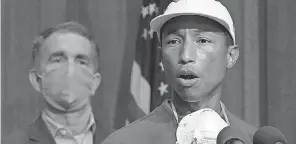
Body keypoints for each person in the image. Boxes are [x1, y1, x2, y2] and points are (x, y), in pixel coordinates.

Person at [101, 0, 257, 144]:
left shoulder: (251, 140)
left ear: (231, 56)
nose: (185, 56)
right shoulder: (125, 141)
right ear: (161, 55)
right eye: (173, 42)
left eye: (202, 40)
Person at [3, 22, 109, 144]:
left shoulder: (125, 140)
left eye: (81, 62)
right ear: (37, 80)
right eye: (58, 60)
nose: (70, 71)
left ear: (95, 82)